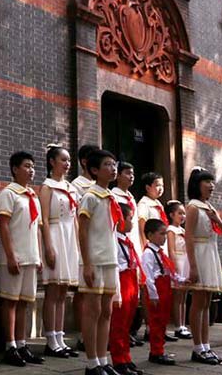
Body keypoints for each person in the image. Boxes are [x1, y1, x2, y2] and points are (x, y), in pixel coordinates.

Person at [0, 151, 44, 367]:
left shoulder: (33, 196)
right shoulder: (9, 193)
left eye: (32, 166)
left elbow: (37, 228)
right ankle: (10, 346)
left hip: (30, 256)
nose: (31, 170)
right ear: (15, 169)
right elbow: (4, 225)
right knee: (10, 301)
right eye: (26, 166)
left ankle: (22, 343)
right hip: (14, 256)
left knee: (25, 302)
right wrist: (10, 254)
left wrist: (39, 255)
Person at [78, 149, 122, 375]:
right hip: (94, 259)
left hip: (110, 259)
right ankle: (91, 362)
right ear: (94, 170)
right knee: (92, 310)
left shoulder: (110, 196)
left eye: (114, 164)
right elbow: (83, 231)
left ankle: (103, 360)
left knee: (107, 311)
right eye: (107, 164)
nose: (113, 169)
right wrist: (86, 263)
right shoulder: (90, 197)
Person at [185, 167, 222, 366]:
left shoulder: (209, 207)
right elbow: (188, 237)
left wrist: (216, 218)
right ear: (197, 185)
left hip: (211, 253)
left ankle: (206, 346)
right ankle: (197, 348)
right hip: (200, 253)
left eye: (212, 182)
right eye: (207, 182)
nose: (211, 186)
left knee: (206, 302)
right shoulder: (193, 207)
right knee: (198, 302)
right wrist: (193, 266)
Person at [39, 144, 79, 358]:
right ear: (52, 162)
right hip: (55, 234)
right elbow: (44, 219)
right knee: (53, 290)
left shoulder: (71, 187)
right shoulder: (47, 187)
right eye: (63, 160)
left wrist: (78, 246)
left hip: (69, 236)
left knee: (64, 291)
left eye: (69, 160)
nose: (67, 164)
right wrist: (48, 246)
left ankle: (60, 338)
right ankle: (50, 340)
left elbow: (75, 219)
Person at [109, 203, 145, 375]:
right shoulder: (114, 240)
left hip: (131, 280)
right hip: (122, 280)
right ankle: (118, 360)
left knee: (127, 323)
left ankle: (126, 357)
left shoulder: (126, 240)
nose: (132, 222)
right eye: (130, 219)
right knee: (119, 323)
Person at [111, 162, 144, 349]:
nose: (131, 176)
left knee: (133, 298)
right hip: (119, 245)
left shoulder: (131, 197)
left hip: (132, 245)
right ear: (117, 176)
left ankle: (129, 332)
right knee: (122, 299)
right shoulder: (114, 196)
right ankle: (119, 335)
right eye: (127, 173)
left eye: (133, 173)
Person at [72, 144, 100, 351]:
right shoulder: (77, 186)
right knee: (82, 290)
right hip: (82, 241)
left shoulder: (101, 187)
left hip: (99, 243)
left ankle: (96, 334)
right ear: (85, 162)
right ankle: (83, 334)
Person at [141, 218, 178, 366]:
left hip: (165, 286)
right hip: (157, 288)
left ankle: (159, 349)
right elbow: (148, 276)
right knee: (156, 321)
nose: (164, 237)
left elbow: (169, 271)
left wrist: (180, 279)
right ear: (150, 235)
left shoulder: (161, 253)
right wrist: (153, 294)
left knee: (163, 321)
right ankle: (156, 352)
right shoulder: (148, 253)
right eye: (161, 234)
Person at [165, 200, 191, 340]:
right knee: (178, 296)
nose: (183, 216)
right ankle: (177, 326)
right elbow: (171, 250)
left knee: (184, 296)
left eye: (184, 213)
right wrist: (174, 266)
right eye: (179, 213)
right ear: (171, 215)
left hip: (185, 261)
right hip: (178, 261)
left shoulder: (183, 230)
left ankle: (183, 325)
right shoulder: (170, 230)